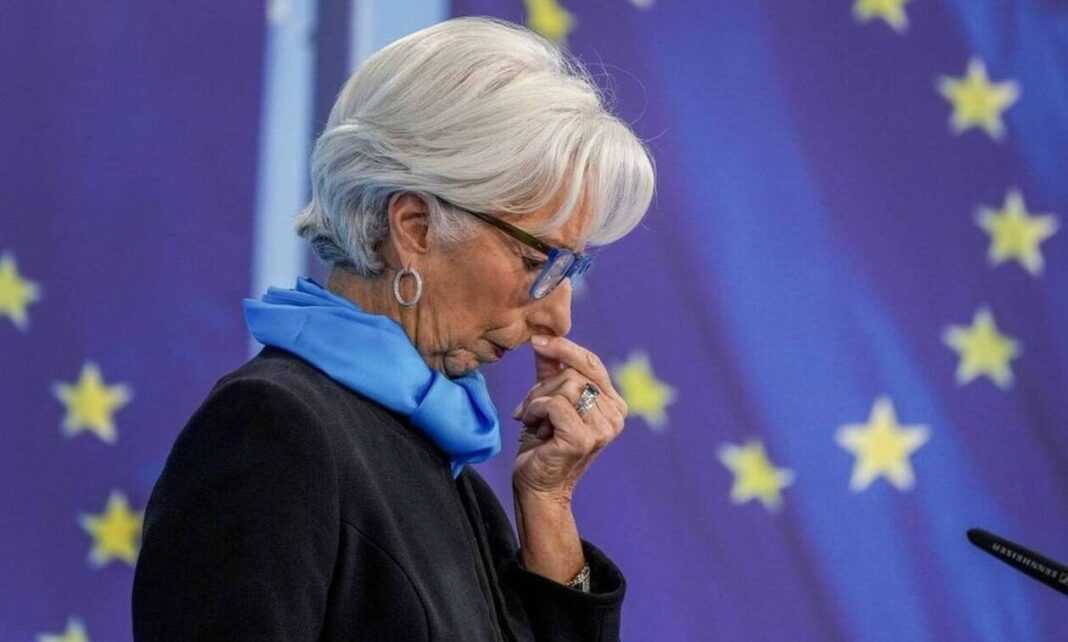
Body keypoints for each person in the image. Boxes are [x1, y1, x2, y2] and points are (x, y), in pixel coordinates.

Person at [131, 15, 655, 642]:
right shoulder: (271, 430)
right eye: (535, 260)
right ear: (414, 228)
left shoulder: (448, 470)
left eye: (571, 268)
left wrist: (548, 505)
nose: (557, 315)